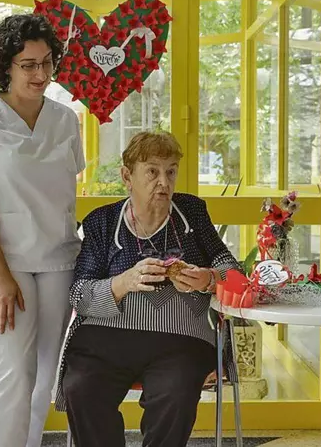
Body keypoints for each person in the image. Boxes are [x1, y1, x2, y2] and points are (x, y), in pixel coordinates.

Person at [0, 13, 84, 447]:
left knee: (44, 376)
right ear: (6, 65)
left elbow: (63, 194)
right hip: (0, 264)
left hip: (57, 259)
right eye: (28, 65)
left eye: (47, 63)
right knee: (12, 373)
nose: (40, 74)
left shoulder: (66, 120)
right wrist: (1, 276)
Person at [55, 131, 241, 447]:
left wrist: (208, 278)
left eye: (171, 171)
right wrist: (123, 282)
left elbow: (234, 272)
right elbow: (79, 294)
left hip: (180, 342)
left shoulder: (192, 212)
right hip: (105, 340)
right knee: (82, 387)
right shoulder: (102, 221)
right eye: (152, 172)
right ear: (127, 177)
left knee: (177, 391)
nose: (164, 182)